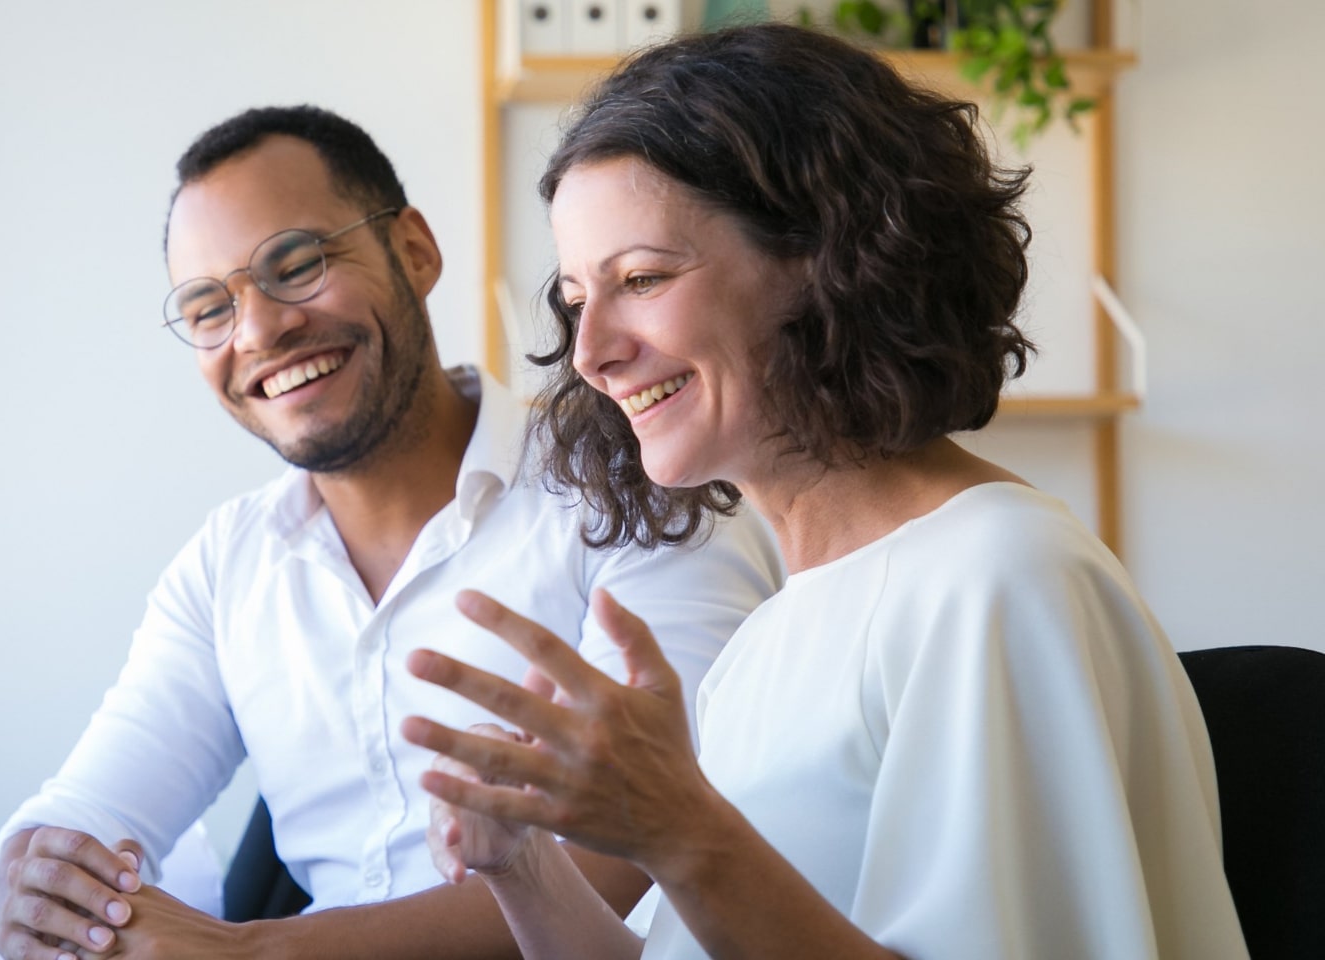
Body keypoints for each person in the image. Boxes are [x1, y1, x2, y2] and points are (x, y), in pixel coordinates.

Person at [400, 24, 1249, 960]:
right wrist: (518, 861)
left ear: (828, 259)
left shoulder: (1000, 578)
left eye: (641, 278)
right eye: (573, 298)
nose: (591, 352)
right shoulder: (772, 634)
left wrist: (682, 831)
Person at [0, 105, 783, 960]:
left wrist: (260, 953)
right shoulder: (228, 565)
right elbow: (78, 821)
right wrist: (29, 886)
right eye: (209, 308)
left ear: (414, 251)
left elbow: (647, 844)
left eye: (296, 264)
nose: (258, 330)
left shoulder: (636, 486)